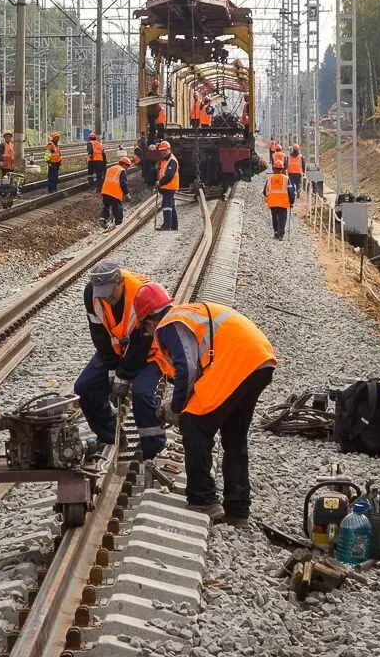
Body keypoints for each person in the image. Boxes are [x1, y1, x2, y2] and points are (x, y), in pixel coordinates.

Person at [146, 299, 277, 523]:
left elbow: (187, 368)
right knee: (234, 438)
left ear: (150, 321)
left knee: (194, 424)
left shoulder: (169, 324)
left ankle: (203, 500)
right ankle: (237, 509)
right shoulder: (188, 314)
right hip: (260, 361)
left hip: (237, 362)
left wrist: (177, 408)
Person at [74, 262, 170, 460]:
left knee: (142, 394)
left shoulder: (140, 293)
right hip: (116, 348)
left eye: (111, 293)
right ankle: (110, 436)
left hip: (149, 350)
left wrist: (122, 376)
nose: (107, 298)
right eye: (102, 294)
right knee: (84, 387)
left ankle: (153, 448)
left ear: (120, 282)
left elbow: (141, 342)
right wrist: (111, 367)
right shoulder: (92, 295)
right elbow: (99, 334)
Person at [263, 162, 294, 240]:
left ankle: (276, 232)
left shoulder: (270, 179)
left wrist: (269, 197)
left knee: (274, 217)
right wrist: (292, 202)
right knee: (282, 218)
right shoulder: (286, 178)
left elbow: (264, 191)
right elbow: (291, 191)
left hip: (272, 202)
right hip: (283, 203)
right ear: (282, 169)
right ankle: (281, 234)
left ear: (273, 169)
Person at [100, 156, 132, 228]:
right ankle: (118, 224)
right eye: (128, 166)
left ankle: (103, 218)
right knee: (118, 208)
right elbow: (123, 183)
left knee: (106, 206)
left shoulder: (110, 169)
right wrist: (127, 194)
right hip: (114, 192)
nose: (128, 168)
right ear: (124, 164)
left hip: (105, 191)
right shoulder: (122, 170)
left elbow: (104, 179)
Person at [156, 140, 180, 231]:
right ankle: (174, 226)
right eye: (161, 151)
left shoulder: (172, 160)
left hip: (169, 186)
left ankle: (167, 225)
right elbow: (161, 172)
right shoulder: (164, 160)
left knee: (167, 205)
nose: (162, 152)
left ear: (168, 150)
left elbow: (169, 175)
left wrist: (160, 183)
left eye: (164, 150)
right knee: (171, 206)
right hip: (167, 186)